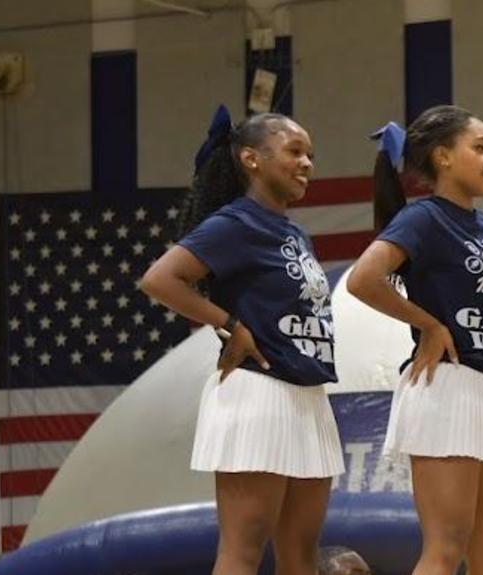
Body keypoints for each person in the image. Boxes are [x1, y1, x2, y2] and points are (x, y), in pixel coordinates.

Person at [139, 107, 340, 575]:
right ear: (251, 158)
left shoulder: (292, 231)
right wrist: (228, 323)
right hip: (259, 393)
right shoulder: (236, 222)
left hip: (307, 394)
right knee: (243, 552)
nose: (307, 163)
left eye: (310, 154)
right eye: (294, 151)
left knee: (302, 555)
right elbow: (161, 279)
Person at [344, 105, 483, 575]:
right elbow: (364, 279)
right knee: (446, 548)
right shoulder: (424, 217)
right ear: (443, 156)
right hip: (445, 387)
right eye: (480, 147)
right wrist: (429, 324)